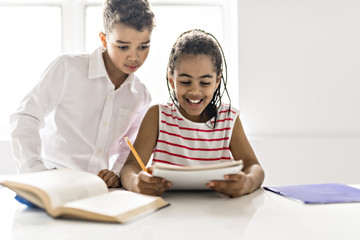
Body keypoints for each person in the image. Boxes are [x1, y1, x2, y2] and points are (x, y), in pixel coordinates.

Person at [9, 0, 155, 188]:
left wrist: (116, 174)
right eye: (123, 46)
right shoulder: (68, 69)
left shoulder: (140, 95)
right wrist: (36, 173)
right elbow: (25, 116)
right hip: (52, 184)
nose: (134, 57)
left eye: (143, 46)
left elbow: (129, 148)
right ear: (104, 39)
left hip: (98, 190)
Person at [120, 29, 265, 197]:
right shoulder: (158, 116)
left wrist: (247, 182)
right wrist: (136, 183)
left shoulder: (228, 119)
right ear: (172, 80)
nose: (195, 91)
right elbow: (130, 168)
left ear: (217, 81)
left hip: (219, 214)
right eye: (185, 81)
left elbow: (254, 167)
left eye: (205, 82)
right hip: (167, 213)